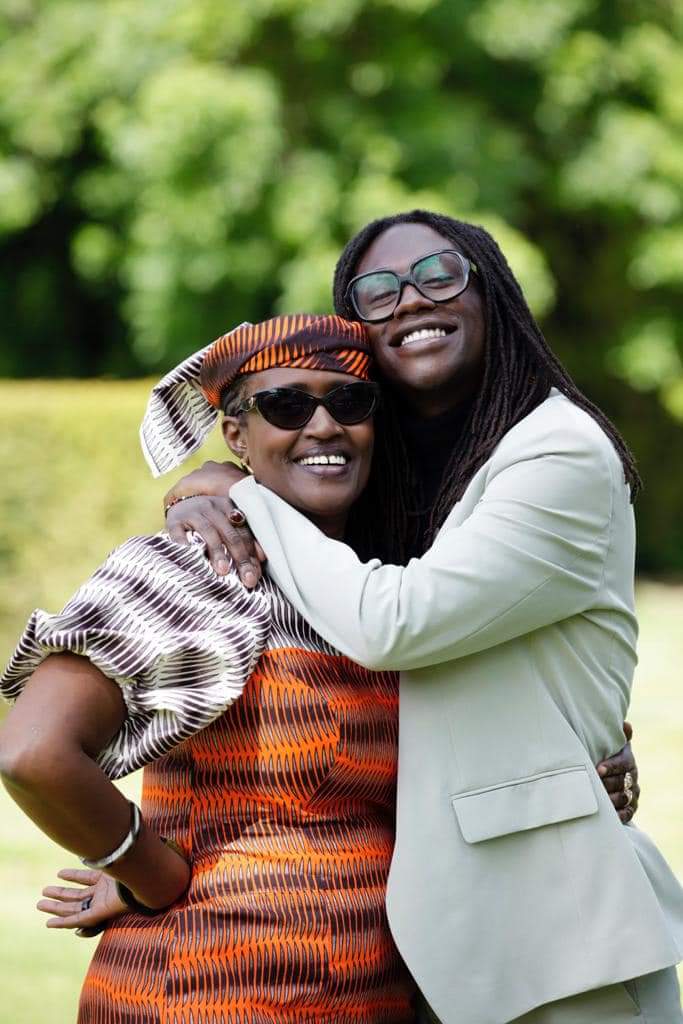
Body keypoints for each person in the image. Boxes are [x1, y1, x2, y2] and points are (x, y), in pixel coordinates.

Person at [161, 212, 683, 1023]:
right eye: (377, 291)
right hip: (428, 938)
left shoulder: (559, 453)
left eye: (438, 276)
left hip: (554, 937)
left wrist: (246, 495)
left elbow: (393, 623)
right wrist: (143, 863)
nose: (408, 300)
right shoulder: (404, 474)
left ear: (492, 293)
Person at [0, 315, 420, 1024]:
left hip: (365, 995)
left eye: (349, 402)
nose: (323, 426)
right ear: (234, 434)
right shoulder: (197, 567)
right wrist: (150, 873)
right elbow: (32, 752)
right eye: (286, 405)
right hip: (208, 991)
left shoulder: (376, 590)